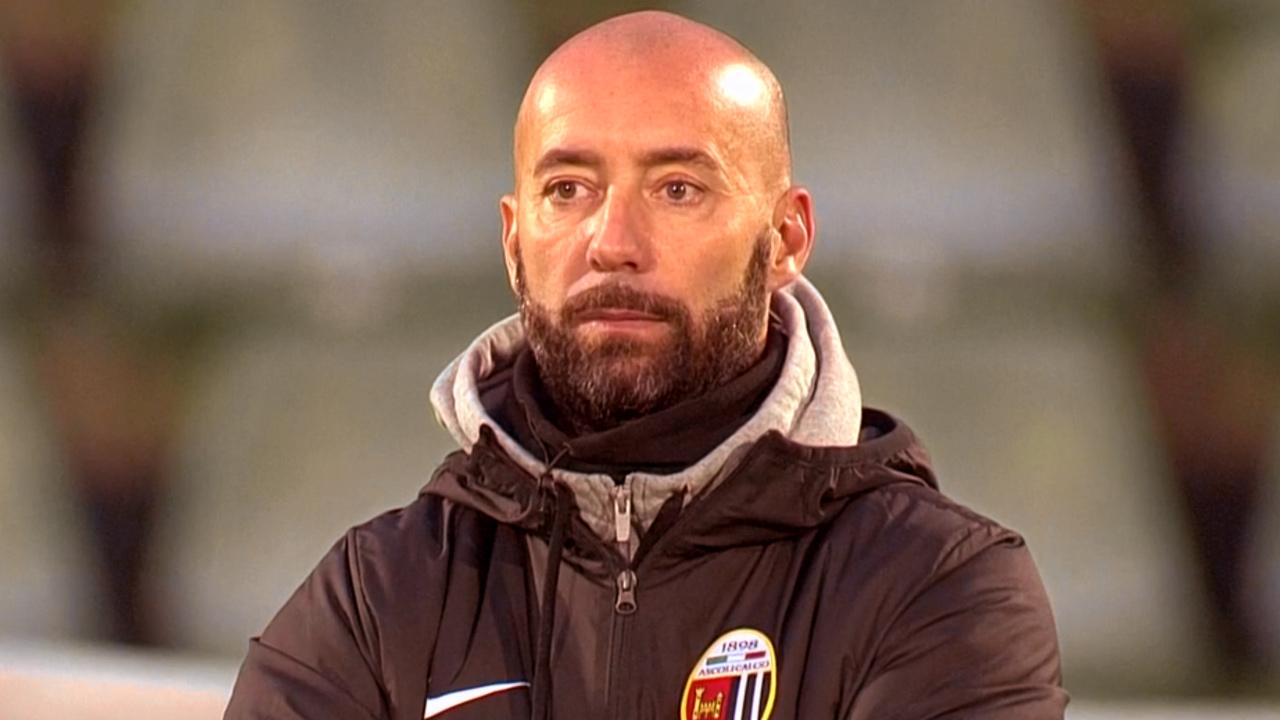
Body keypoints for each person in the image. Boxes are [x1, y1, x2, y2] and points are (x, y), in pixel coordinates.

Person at [225, 11, 1067, 719]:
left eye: (677, 189)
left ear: (785, 238)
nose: (613, 244)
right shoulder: (378, 599)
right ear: (514, 241)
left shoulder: (937, 587)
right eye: (568, 189)